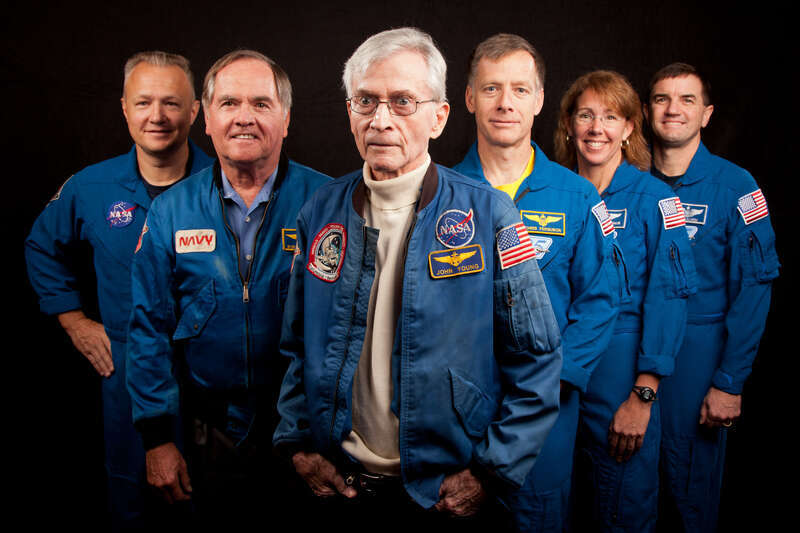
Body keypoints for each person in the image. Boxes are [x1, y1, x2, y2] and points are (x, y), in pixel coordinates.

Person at [273, 28, 562, 529]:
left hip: (443, 493)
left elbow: (537, 358)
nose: (381, 120)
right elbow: (297, 344)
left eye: (403, 102)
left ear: (439, 116)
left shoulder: (490, 214)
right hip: (342, 485)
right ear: (350, 112)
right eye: (366, 101)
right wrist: (298, 446)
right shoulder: (319, 212)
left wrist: (491, 472)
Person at [126, 50, 330, 525]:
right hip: (208, 433)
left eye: (261, 103)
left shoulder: (328, 203)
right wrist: (157, 439)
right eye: (229, 103)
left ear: (285, 119)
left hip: (309, 432)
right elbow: (149, 329)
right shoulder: (171, 211)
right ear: (207, 119)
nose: (244, 117)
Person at [25, 51, 212, 530]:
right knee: (132, 504)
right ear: (125, 108)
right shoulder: (91, 187)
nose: (157, 116)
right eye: (144, 102)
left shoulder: (226, 184)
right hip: (125, 373)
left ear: (195, 111)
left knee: (213, 501)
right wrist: (74, 321)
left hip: (211, 378)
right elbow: (41, 247)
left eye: (172, 103)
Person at [453, 34, 620, 531]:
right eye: (491, 89)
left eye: (520, 90)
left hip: (546, 414)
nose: (505, 103)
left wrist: (549, 384)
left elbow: (600, 301)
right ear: (469, 98)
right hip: (456, 412)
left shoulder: (578, 197)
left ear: (540, 100)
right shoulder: (437, 193)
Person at [553, 70, 697, 532]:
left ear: (630, 128)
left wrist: (643, 394)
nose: (596, 128)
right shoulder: (550, 193)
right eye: (585, 115)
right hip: (553, 365)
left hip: (620, 366)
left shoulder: (656, 199)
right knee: (550, 499)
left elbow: (670, 297)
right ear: (569, 124)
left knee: (621, 499)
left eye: (611, 117)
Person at [644, 63, 779, 532]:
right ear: (647, 111)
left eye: (687, 100)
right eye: (662, 99)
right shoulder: (627, 181)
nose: (673, 109)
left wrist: (730, 381)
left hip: (698, 359)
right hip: (632, 353)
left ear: (706, 114)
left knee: (689, 495)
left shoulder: (737, 187)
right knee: (622, 488)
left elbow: (755, 287)